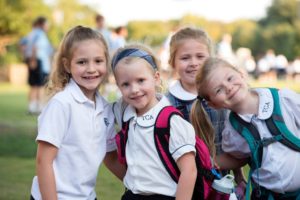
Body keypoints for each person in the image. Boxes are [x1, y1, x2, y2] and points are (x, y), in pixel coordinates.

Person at [30, 26, 125, 200]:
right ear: (67, 65)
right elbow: (44, 162)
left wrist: (141, 184)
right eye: (82, 62)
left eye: (98, 61)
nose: (91, 69)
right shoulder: (61, 104)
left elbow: (110, 158)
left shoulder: (105, 109)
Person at [193, 57, 300, 199]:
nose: (229, 87)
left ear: (241, 74)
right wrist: (207, 162)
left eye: (230, 78)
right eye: (219, 90)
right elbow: (239, 158)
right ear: (213, 105)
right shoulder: (232, 129)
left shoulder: (283, 100)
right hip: (266, 195)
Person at [165, 26, 246, 199]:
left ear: (211, 60)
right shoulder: (167, 104)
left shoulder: (223, 97)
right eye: (185, 58)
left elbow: (231, 142)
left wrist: (239, 175)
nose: (194, 63)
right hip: (184, 186)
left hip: (222, 184)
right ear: (173, 63)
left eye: (200, 56)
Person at [112, 44, 197, 200]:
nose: (134, 89)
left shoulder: (171, 121)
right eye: (126, 84)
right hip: (132, 195)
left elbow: (189, 171)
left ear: (156, 78)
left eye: (141, 80)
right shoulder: (125, 114)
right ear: (118, 86)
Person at [24, 16, 53, 114]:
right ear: (41, 24)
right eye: (46, 24)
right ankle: (40, 107)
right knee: (40, 85)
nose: (47, 26)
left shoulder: (31, 34)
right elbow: (34, 47)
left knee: (34, 85)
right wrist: (33, 60)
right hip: (38, 61)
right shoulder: (39, 34)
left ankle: (32, 107)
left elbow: (23, 45)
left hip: (35, 61)